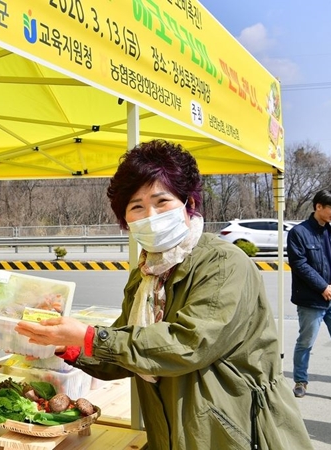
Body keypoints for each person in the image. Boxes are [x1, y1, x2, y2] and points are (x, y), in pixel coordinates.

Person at [15, 140, 312, 449]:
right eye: (137, 207)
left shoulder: (222, 263)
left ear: (189, 204)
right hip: (171, 431)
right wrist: (69, 345)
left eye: (162, 201)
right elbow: (126, 351)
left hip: (232, 430)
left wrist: (89, 337)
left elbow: (188, 345)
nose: (151, 215)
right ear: (126, 220)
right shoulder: (144, 276)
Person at [286, 189, 331, 398]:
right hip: (311, 300)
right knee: (306, 342)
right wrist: (323, 287)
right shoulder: (299, 233)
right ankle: (300, 380)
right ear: (319, 207)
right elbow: (300, 265)